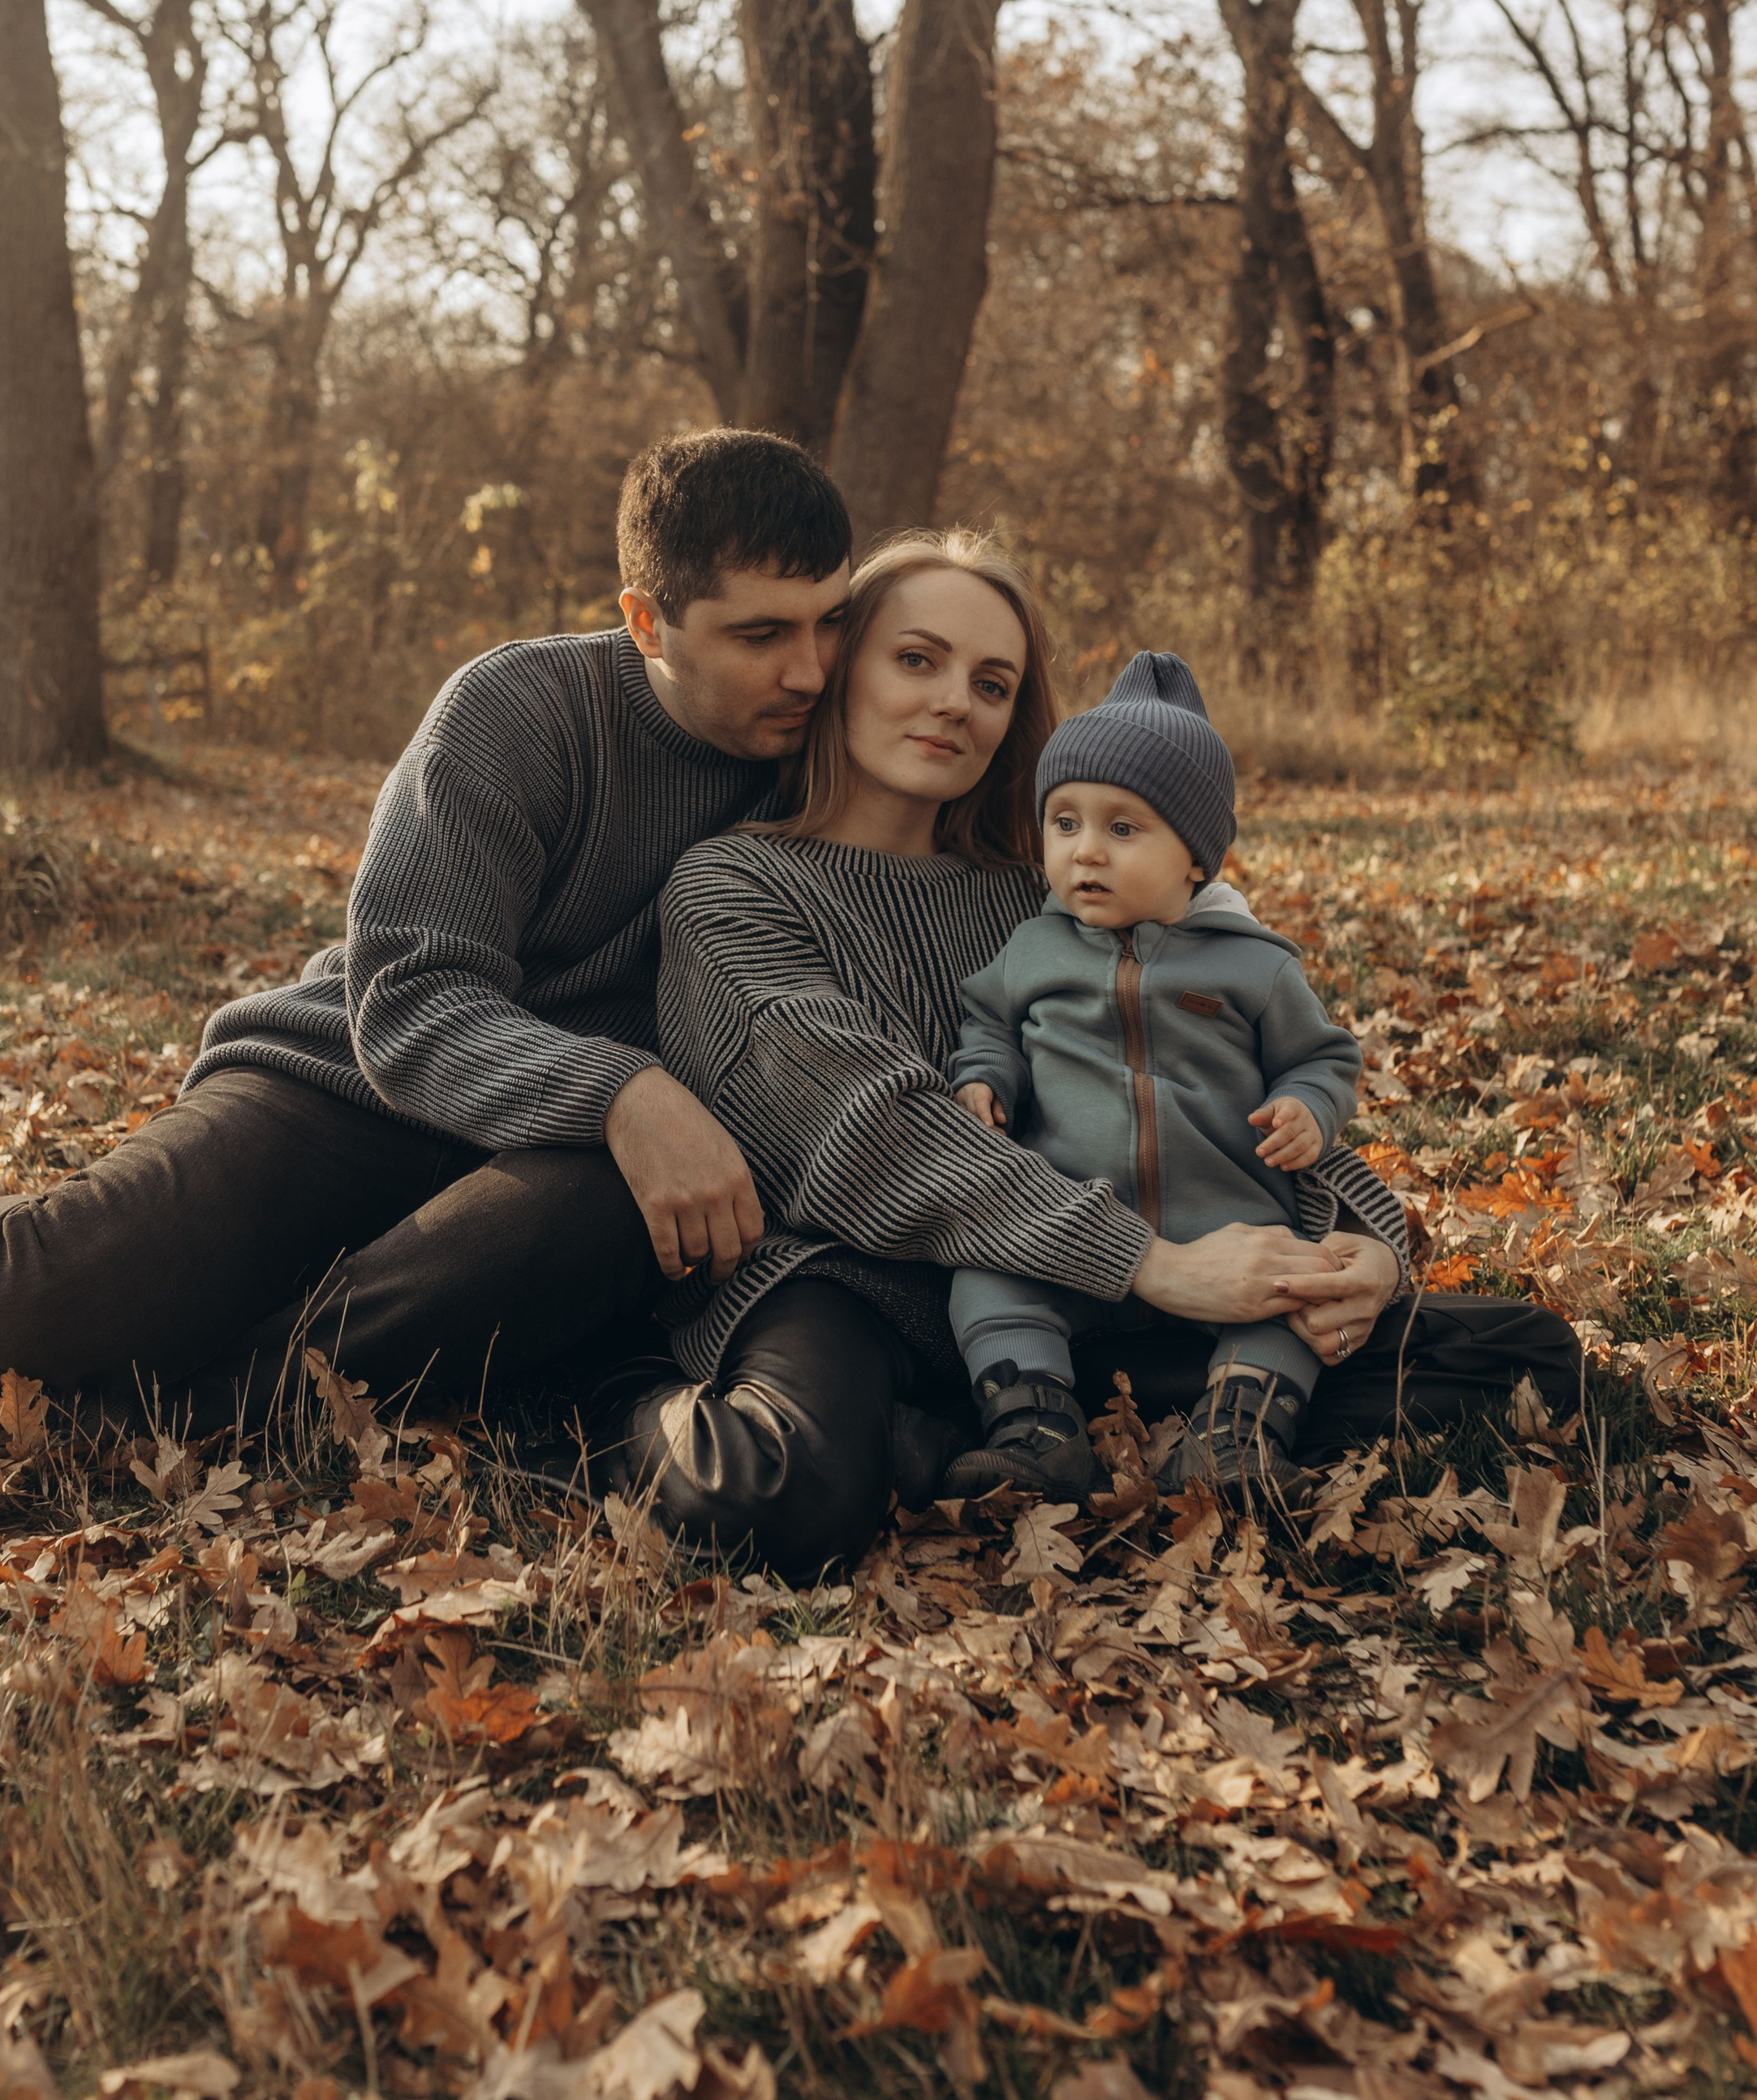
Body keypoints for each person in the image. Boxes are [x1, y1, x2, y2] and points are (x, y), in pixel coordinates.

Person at [0, 430, 855, 1453]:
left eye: (829, 625)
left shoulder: (849, 753)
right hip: (347, 1086)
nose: (808, 670)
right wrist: (621, 1089)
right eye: (761, 635)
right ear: (647, 621)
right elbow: (412, 996)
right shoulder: (522, 711)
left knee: (600, 1226)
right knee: (69, 1279)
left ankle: (108, 1425)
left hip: (553, 1169)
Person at [593, 529, 1584, 1577]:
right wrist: (1160, 1267)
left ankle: (1066, 1429)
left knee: (1522, 1353)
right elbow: (874, 1131)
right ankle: (624, 1395)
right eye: (916, 660)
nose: (954, 703)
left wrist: (1370, 1251)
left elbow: (1217, 1094)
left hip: (1067, 1295)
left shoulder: (1056, 899)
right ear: (842, 669)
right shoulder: (732, 888)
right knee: (778, 1496)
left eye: (992, 682)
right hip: (855, 1285)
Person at [944, 649, 1369, 1502]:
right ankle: (1035, 1430)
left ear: (1196, 859)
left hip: (1227, 1235)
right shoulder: (1034, 949)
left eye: (1122, 829)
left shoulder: (1254, 968)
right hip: (1075, 1231)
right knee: (986, 1280)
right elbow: (986, 1025)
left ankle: (1236, 1436)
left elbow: (1323, 1056)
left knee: (1293, 1295)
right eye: (1063, 824)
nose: (1084, 853)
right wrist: (985, 1079)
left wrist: (1306, 1107)